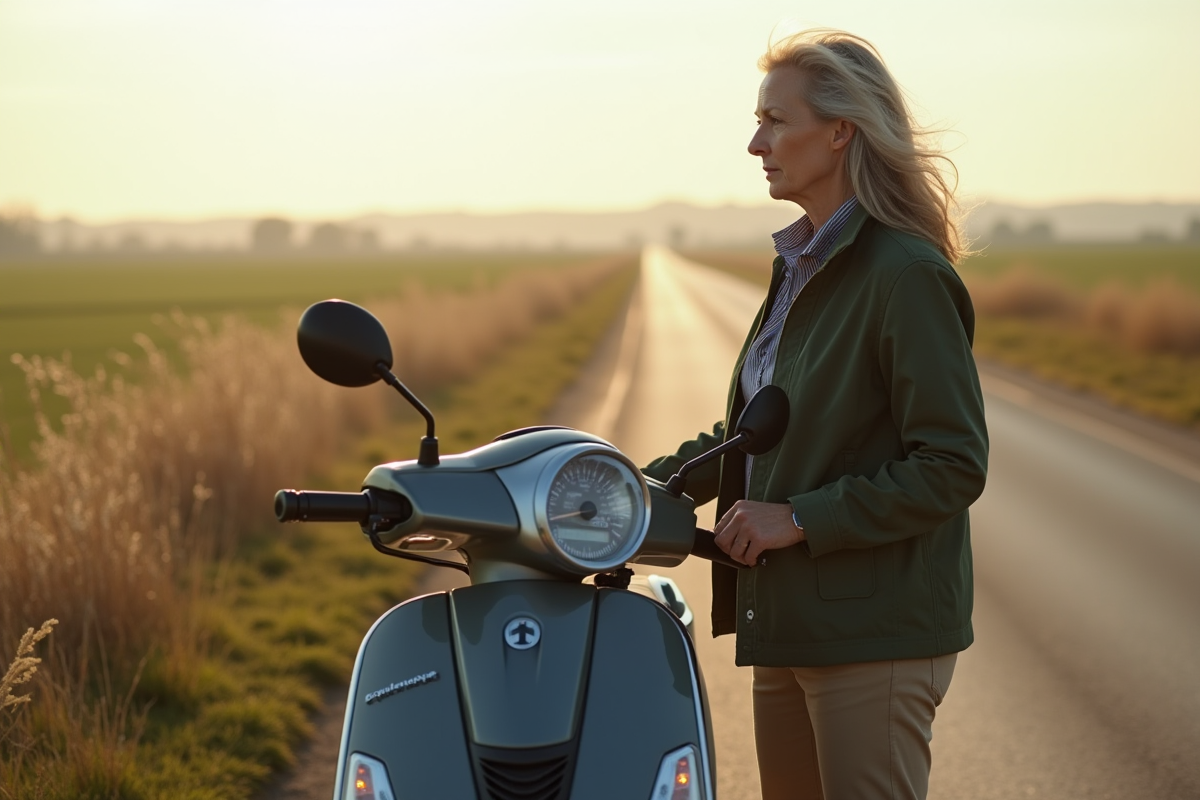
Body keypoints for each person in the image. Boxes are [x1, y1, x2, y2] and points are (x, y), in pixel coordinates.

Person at [641, 29, 988, 800]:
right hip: (790, 620)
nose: (754, 142)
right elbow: (752, 437)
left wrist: (794, 517)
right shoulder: (802, 266)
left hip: (874, 636)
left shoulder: (905, 276)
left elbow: (953, 464)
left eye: (774, 120)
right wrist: (613, 488)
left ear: (839, 132)